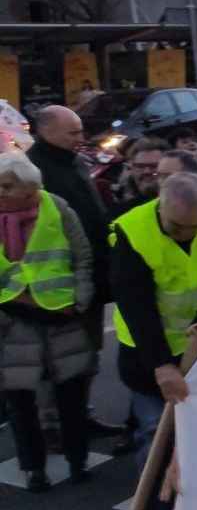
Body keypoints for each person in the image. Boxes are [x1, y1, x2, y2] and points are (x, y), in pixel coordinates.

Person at [110, 173, 197, 450]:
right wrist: (161, 364)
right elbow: (135, 304)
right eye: (176, 226)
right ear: (160, 204)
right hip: (145, 352)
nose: (185, 234)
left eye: (195, 227)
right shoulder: (132, 231)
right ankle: (155, 493)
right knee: (157, 435)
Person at [0, 151, 98, 490]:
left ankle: (77, 461)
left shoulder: (57, 207)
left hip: (62, 316)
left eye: (7, 186)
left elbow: (82, 254)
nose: (0, 191)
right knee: (19, 402)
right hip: (12, 321)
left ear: (30, 190)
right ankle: (33, 469)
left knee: (71, 397)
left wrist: (81, 300)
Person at [25, 104, 124, 438]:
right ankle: (52, 426)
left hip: (90, 279)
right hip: (55, 286)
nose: (80, 138)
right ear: (46, 131)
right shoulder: (31, 171)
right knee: (55, 362)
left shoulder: (76, 162)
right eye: (73, 132)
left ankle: (80, 415)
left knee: (86, 355)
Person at [112, 137, 169, 214]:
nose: (146, 171)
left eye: (154, 166)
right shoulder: (122, 213)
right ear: (131, 168)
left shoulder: (183, 202)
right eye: (140, 166)